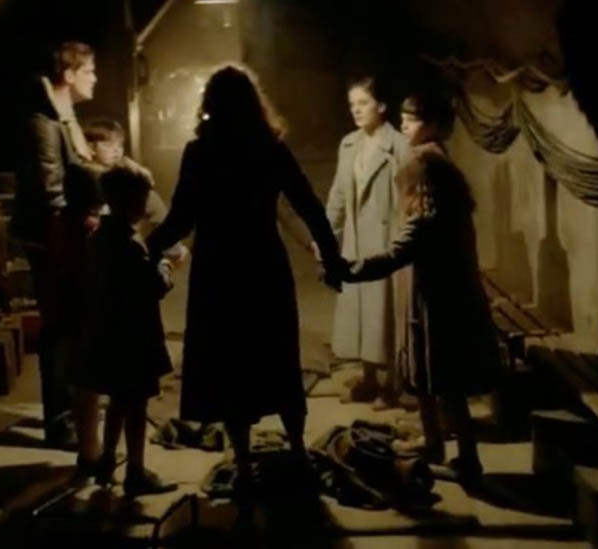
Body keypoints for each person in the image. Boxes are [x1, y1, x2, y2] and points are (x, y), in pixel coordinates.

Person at [146, 65, 344, 501]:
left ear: (210, 105)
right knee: (278, 357)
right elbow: (307, 203)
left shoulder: (200, 152)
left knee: (229, 364)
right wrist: (331, 255)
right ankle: (297, 452)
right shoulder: (269, 148)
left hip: (219, 268)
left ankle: (243, 463)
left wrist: (147, 246)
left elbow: (181, 217)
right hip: (262, 263)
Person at [342, 91, 502, 482]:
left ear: (431, 125)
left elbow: (419, 229)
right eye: (404, 117)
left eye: (412, 119)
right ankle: (433, 444)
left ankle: (467, 458)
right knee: (429, 371)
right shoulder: (429, 159)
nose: (405, 125)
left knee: (444, 374)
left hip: (436, 288)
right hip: (429, 282)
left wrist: (358, 268)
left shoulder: (427, 164)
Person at [11, 41, 99, 448]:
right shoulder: (44, 123)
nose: (95, 78)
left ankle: (71, 413)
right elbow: (52, 191)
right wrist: (80, 224)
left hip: (64, 235)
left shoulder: (63, 118)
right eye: (89, 71)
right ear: (68, 74)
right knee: (61, 329)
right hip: (53, 239)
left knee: (70, 326)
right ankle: (61, 421)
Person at [78, 167, 178, 495]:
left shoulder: (98, 237)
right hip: (134, 337)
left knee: (118, 401)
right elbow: (153, 287)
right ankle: (135, 469)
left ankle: (107, 460)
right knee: (135, 406)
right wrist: (165, 265)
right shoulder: (131, 245)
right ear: (134, 200)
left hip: (107, 333)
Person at [321, 76, 410, 409]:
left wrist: (404, 240)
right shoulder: (349, 144)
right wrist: (325, 233)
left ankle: (392, 384)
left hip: (385, 242)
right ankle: (368, 378)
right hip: (356, 240)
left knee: (384, 315)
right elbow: (339, 194)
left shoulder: (399, 146)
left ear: (382, 106)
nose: (356, 110)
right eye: (352, 105)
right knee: (361, 313)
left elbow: (409, 196)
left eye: (363, 103)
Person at [82, 119, 189, 263]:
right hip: (105, 221)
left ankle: (170, 248)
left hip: (118, 222)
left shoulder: (122, 166)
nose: (116, 150)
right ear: (91, 148)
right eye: (109, 145)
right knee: (151, 199)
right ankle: (172, 250)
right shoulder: (90, 172)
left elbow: (148, 181)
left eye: (119, 145)